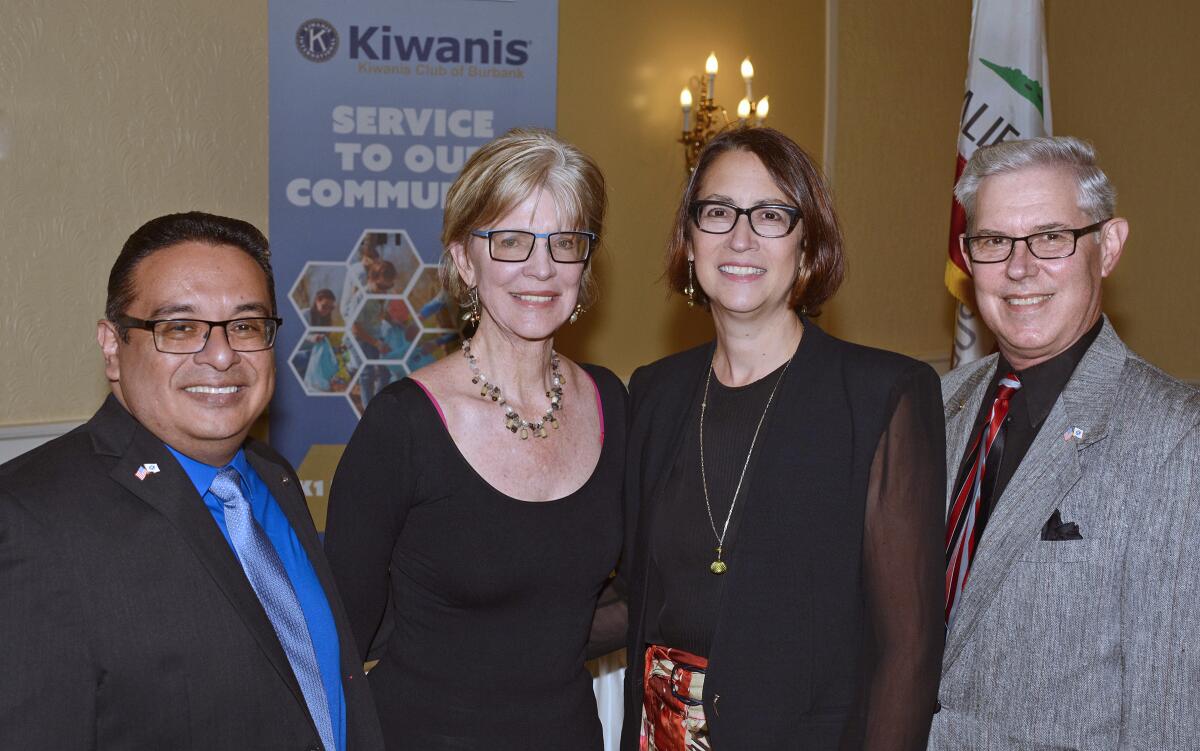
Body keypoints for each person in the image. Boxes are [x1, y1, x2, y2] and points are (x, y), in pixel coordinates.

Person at [0, 212, 383, 750]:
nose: (222, 355)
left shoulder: (272, 479)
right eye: (180, 328)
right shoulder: (27, 520)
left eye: (246, 325)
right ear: (113, 346)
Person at [620, 127, 946, 750]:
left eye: (770, 214)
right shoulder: (654, 394)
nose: (741, 237)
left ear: (807, 243)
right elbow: (637, 593)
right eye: (718, 213)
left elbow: (908, 651)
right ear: (689, 242)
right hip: (662, 736)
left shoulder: (882, 395)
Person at [324, 128, 626, 750]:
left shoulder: (611, 403)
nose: (540, 269)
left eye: (564, 243)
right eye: (510, 241)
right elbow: (337, 641)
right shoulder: (403, 425)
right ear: (465, 259)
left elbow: (621, 597)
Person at [931, 136, 1200, 749]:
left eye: (1050, 237)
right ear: (969, 258)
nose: (1019, 268)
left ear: (1107, 247)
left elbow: (1173, 714)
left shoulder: (1176, 438)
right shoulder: (935, 405)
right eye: (995, 242)